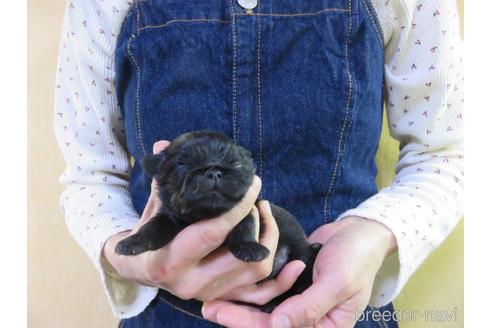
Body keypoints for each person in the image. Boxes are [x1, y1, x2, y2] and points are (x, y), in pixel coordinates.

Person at [54, 0, 463, 327]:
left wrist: (373, 236)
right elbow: (91, 175)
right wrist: (128, 255)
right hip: (166, 314)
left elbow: (446, 155)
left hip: (338, 310)